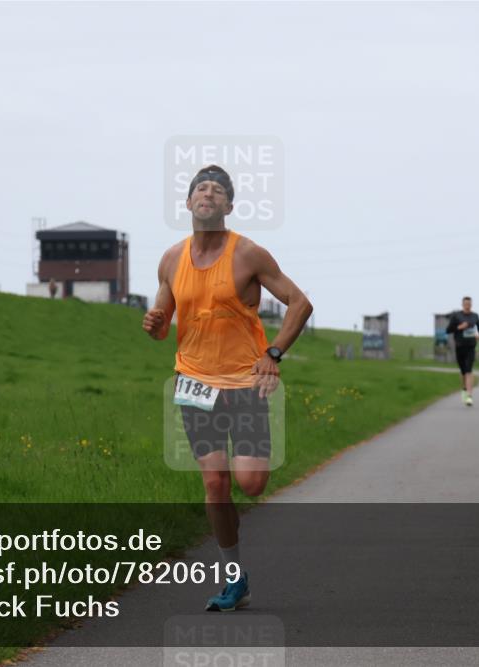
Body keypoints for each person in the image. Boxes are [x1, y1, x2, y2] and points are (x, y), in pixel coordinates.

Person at [143, 165, 312, 611]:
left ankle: (237, 564)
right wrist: (155, 324)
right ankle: (235, 577)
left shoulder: (248, 254)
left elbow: (300, 303)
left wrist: (273, 354)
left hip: (244, 383)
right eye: (201, 188)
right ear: (188, 203)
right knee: (215, 483)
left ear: (229, 207)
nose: (208, 194)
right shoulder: (170, 259)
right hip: (193, 383)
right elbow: (162, 327)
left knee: (251, 483)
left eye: (218, 191)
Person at [446, 296, 479, 406]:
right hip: (460, 346)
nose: (467, 306)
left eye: (469, 304)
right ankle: (464, 388)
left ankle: (469, 396)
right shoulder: (457, 316)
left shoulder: (475, 316)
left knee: (469, 371)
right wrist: (459, 327)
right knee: (463, 372)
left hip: (471, 347)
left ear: (471, 305)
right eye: (466, 304)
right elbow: (448, 330)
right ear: (462, 304)